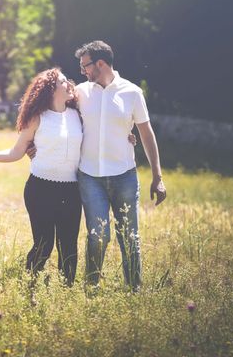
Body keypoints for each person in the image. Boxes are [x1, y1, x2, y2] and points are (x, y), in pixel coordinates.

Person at [0, 68, 83, 285]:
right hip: (40, 189)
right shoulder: (37, 119)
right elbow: (15, 153)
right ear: (51, 90)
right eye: (63, 81)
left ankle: (67, 290)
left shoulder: (77, 115)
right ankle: (29, 284)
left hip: (71, 190)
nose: (69, 84)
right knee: (44, 244)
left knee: (69, 246)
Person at [73, 40, 166, 290]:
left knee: (129, 236)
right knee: (98, 236)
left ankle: (134, 288)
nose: (83, 71)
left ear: (100, 63)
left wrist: (158, 177)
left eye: (85, 66)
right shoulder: (81, 92)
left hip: (124, 176)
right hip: (90, 176)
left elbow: (146, 135)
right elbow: (58, 115)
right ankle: (90, 286)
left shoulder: (132, 93)